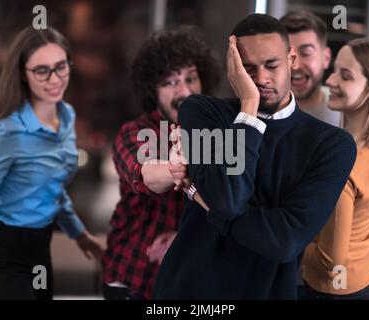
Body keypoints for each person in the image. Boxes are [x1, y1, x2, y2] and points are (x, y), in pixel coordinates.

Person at [152, 14, 356, 299]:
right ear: (234, 71)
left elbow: (284, 242)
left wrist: (203, 197)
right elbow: (229, 199)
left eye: (271, 65)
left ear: (292, 58)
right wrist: (249, 107)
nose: (260, 79)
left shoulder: (332, 145)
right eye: (247, 69)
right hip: (186, 290)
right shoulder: (202, 112)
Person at [0, 26, 104, 300]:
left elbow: (53, 189)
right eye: (42, 70)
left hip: (39, 253)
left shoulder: (66, 117)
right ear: (22, 75)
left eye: (61, 67)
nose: (55, 79)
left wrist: (80, 235)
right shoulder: (5, 133)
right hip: (0, 256)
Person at [101, 25, 221, 300]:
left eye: (191, 78)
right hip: (134, 280)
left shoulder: (218, 134)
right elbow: (144, 174)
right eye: (169, 82)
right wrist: (174, 166)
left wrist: (184, 237)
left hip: (190, 282)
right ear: (152, 90)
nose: (184, 91)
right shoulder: (135, 132)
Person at [300, 39, 369, 300]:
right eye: (334, 69)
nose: (331, 81)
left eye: (345, 76)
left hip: (336, 290)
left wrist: (292, 240)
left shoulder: (343, 167)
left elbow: (329, 260)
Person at [280, 11, 341, 127]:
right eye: (286, 54)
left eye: (306, 53)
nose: (295, 65)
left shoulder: (343, 111)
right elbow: (236, 145)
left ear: (326, 58)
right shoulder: (253, 110)